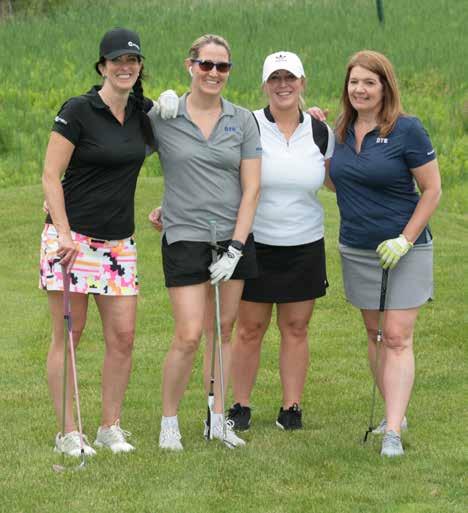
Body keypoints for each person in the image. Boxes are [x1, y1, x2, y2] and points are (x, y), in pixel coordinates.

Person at [40, 27, 159, 456]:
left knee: (123, 337)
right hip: (70, 241)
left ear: (139, 66)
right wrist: (63, 231)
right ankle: (68, 433)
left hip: (119, 245)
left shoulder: (144, 114)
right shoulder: (78, 110)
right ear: (102, 66)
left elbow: (197, 125)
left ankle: (110, 427)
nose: (125, 67)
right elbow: (50, 175)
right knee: (70, 337)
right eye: (116, 61)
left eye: (132, 60)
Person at [148, 34, 262, 451]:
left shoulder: (241, 120)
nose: (214, 73)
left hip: (232, 238)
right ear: (190, 66)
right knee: (189, 333)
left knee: (224, 330)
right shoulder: (164, 115)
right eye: (206, 65)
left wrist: (237, 246)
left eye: (222, 66)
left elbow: (252, 188)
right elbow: (118, 145)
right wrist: (153, 103)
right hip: (184, 236)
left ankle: (217, 420)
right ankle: (169, 422)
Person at [328, 50, 441, 456]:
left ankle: (392, 430)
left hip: (404, 250)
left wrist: (405, 239)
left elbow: (432, 190)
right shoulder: (340, 131)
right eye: (354, 82)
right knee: (374, 334)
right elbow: (334, 180)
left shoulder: (407, 130)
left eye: (369, 82)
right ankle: (397, 411)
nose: (360, 89)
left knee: (395, 336)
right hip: (357, 248)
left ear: (385, 87)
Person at [225, 52, 335, 432]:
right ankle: (240, 405)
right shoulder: (248, 125)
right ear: (265, 85)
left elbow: (335, 179)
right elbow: (223, 175)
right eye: (275, 78)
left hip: (305, 243)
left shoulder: (321, 132)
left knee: (296, 328)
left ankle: (291, 408)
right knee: (249, 328)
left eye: (290, 77)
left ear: (302, 83)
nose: (283, 85)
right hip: (257, 241)